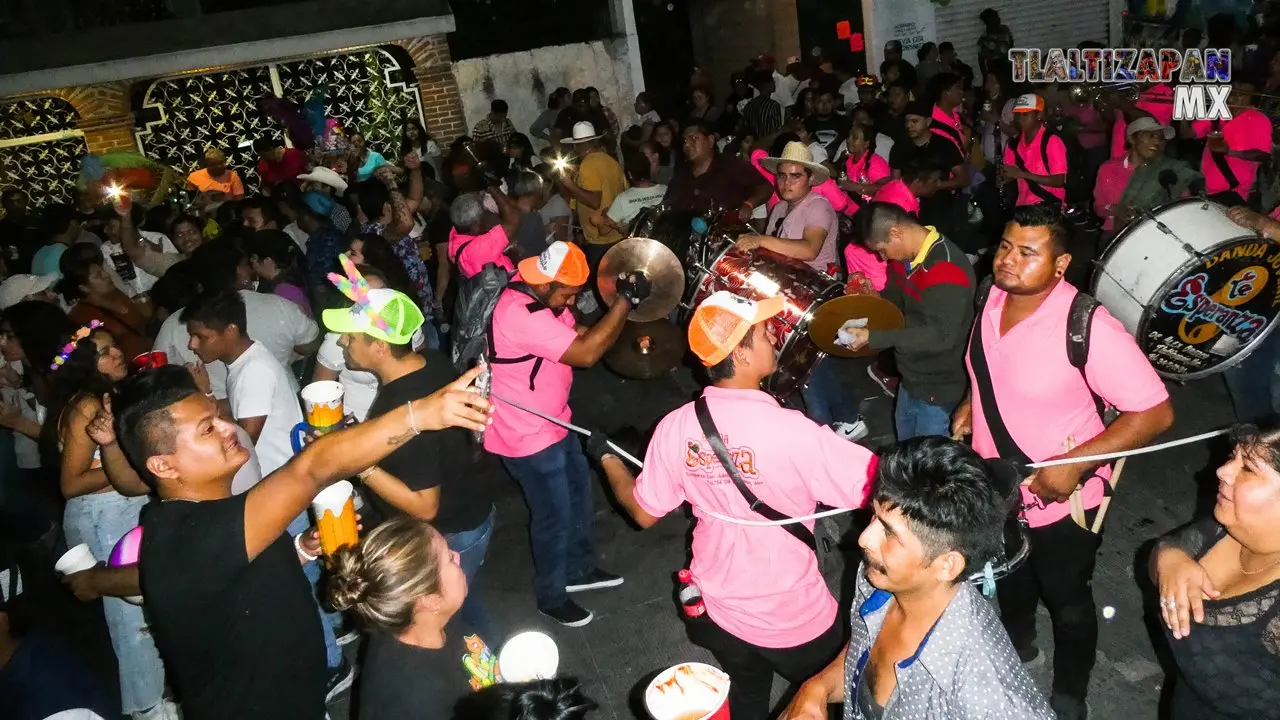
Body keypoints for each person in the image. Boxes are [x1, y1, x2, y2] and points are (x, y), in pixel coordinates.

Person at [112, 362, 490, 720]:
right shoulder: (189, 539)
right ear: (163, 465)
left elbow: (232, 584)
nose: (230, 428)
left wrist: (300, 550)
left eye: (220, 417)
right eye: (208, 429)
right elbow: (311, 469)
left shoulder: (220, 516)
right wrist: (421, 415)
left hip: (301, 700)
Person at [594, 290, 877, 720]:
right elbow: (882, 487)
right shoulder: (793, 432)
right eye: (765, 333)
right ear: (741, 354)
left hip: (716, 609)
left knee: (746, 686)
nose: (775, 339)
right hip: (793, 618)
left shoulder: (675, 426)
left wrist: (608, 458)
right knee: (836, 699)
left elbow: (643, 511)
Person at [951, 204, 1174, 720]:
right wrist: (974, 399)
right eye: (1005, 246)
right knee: (1011, 575)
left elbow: (1157, 412)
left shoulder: (1086, 325)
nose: (1008, 260)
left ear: (1061, 263)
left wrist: (1075, 464)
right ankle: (1020, 645)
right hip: (996, 482)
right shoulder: (991, 295)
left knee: (1068, 598)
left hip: (1063, 497)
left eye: (1028, 252)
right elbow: (988, 363)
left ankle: (1072, 690)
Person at [781, 438, 1055, 720]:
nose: (864, 539)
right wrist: (817, 688)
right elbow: (863, 651)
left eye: (890, 533)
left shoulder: (988, 694)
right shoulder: (877, 580)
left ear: (947, 565)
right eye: (873, 516)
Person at [324, 274, 498, 638]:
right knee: (468, 600)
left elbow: (424, 507)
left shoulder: (400, 407)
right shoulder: (428, 360)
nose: (342, 342)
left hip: (451, 531)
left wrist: (362, 463)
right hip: (471, 507)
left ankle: (493, 673)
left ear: (380, 348)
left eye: (352, 337)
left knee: (459, 616)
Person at [485, 241, 642, 626]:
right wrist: (623, 304)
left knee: (578, 497)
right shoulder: (518, 312)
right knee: (553, 516)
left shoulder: (545, 299)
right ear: (544, 284)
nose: (571, 303)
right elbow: (585, 354)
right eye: (567, 294)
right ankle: (551, 596)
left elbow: (578, 335)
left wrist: (614, 328)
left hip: (556, 420)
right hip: (526, 434)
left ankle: (578, 570)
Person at [1151, 419, 1280, 719]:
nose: (1223, 471)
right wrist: (1168, 556)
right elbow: (1167, 550)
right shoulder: (1227, 526)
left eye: (1247, 468)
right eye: (1233, 456)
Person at [735, 142, 866, 439]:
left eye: (795, 176)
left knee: (804, 367)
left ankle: (823, 432)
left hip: (816, 297)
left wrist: (761, 242)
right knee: (810, 367)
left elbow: (809, 249)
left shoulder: (818, 206)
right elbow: (770, 253)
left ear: (809, 179)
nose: (786, 182)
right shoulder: (780, 207)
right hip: (790, 297)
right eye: (782, 175)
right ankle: (848, 418)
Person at [329, 518, 497, 720]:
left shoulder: (426, 619)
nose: (458, 555)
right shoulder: (419, 700)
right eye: (449, 559)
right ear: (429, 600)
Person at [846, 202, 975, 440]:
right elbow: (894, 305)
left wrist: (873, 337)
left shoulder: (946, 268)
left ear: (895, 233)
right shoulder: (902, 260)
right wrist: (871, 301)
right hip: (910, 378)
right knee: (906, 453)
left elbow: (940, 336)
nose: (882, 257)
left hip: (939, 388)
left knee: (925, 469)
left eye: (882, 250)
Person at [1094, 117, 1201, 233]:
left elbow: (1186, 202)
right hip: (1116, 235)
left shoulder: (1170, 170)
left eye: (1161, 139)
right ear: (1132, 139)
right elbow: (1099, 206)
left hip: (1157, 234)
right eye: (1151, 136)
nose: (1157, 142)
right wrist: (1114, 209)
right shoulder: (1108, 169)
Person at [889, 100, 968, 240]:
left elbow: (963, 178)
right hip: (909, 208)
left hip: (939, 208)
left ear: (928, 121)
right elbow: (894, 181)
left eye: (915, 121)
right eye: (907, 121)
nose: (909, 126)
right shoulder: (900, 147)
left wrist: (938, 185)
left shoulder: (943, 145)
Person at [59, 244, 153, 361]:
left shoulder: (116, 294)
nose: (107, 275)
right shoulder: (82, 316)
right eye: (98, 276)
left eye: (103, 271)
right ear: (84, 287)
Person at [1185, 82, 1272, 206]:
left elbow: (1263, 155)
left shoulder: (1257, 119)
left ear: (1252, 98)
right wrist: (1183, 110)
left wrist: (1229, 151)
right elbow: (1187, 133)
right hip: (1203, 187)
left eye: (1242, 94)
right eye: (1232, 92)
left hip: (1231, 192)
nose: (1235, 97)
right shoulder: (1218, 113)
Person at [556, 122, 626, 271]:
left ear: (577, 145)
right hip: (617, 233)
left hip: (600, 240)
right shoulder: (610, 160)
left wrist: (569, 184)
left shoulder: (588, 164)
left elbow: (594, 202)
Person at [663, 120, 771, 217]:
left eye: (693, 138)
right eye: (685, 141)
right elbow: (666, 205)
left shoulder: (731, 165)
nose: (687, 145)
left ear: (710, 140)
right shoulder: (681, 175)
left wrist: (749, 204)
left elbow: (766, 187)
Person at [1002, 94, 1068, 207]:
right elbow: (1009, 173)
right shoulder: (1013, 143)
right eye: (1017, 115)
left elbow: (1059, 181)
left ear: (1039, 115)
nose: (1020, 119)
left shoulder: (1052, 142)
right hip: (1023, 205)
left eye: (1025, 114)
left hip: (1048, 206)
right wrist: (1003, 177)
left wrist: (1023, 174)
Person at [447, 189, 519, 279]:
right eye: (484, 218)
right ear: (476, 226)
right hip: (507, 288)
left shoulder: (455, 237)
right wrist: (494, 190)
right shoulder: (479, 248)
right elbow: (514, 220)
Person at [248, 229, 313, 317]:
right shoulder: (293, 277)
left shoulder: (284, 291)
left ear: (268, 261)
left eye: (254, 258)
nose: (251, 261)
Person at [741, 69, 784, 138]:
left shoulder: (749, 105)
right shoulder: (773, 105)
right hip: (768, 145)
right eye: (772, 80)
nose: (774, 82)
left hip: (753, 144)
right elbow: (776, 131)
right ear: (766, 84)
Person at [977, 8, 1015, 77]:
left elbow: (1011, 43)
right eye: (995, 19)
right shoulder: (983, 40)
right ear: (988, 23)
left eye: (998, 17)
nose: (998, 20)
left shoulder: (1005, 29)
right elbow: (981, 61)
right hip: (996, 73)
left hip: (1010, 68)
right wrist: (986, 77)